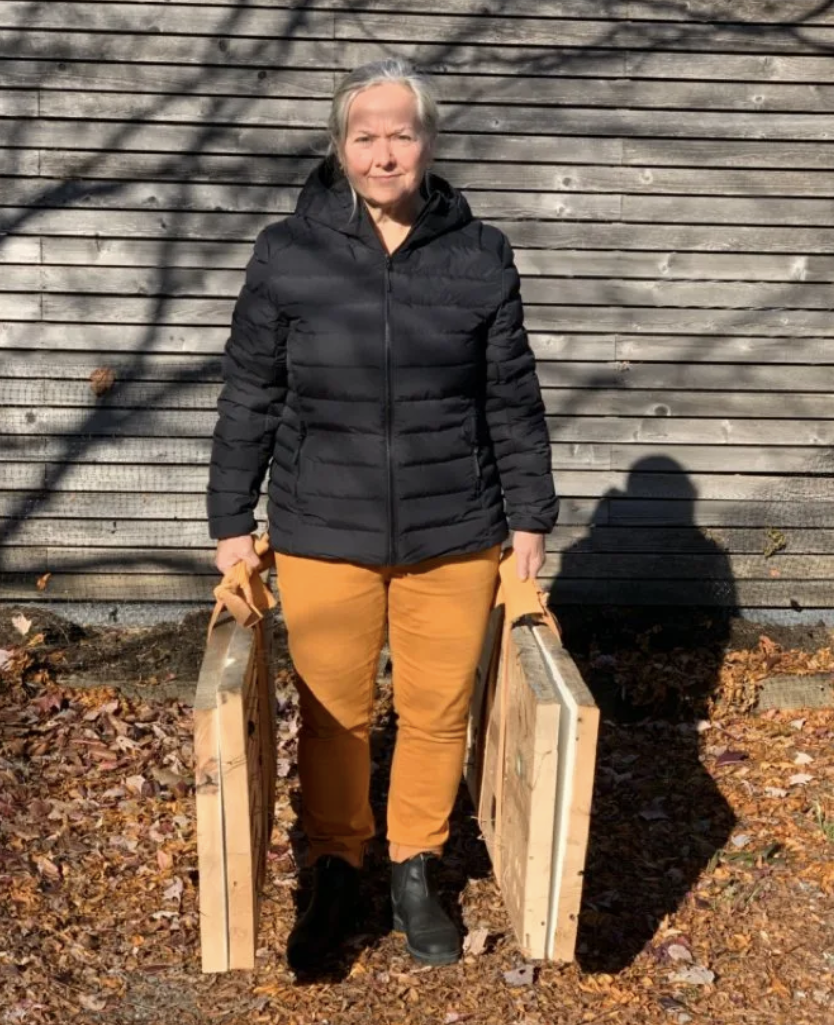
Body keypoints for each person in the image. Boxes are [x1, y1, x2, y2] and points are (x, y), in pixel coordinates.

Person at [206, 58, 558, 970]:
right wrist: (230, 518)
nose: (384, 153)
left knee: (439, 710)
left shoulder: (480, 255)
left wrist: (530, 516)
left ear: (429, 143)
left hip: (456, 529)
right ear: (340, 146)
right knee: (334, 712)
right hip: (323, 525)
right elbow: (250, 393)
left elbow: (512, 397)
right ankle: (334, 866)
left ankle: (413, 866)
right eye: (365, 136)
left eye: (402, 133)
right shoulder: (288, 252)